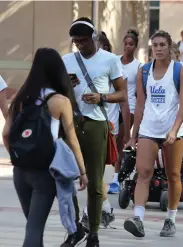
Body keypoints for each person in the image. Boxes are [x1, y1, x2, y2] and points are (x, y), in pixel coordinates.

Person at [2, 48, 87, 247]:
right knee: (34, 230)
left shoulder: (21, 98)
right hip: (44, 172)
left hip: (20, 172)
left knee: (33, 226)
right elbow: (72, 140)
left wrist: (18, 157)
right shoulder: (60, 101)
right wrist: (82, 172)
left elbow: (6, 134)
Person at [62, 17, 126, 247]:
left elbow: (122, 93)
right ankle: (75, 229)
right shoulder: (66, 60)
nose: (79, 44)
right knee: (67, 178)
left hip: (96, 123)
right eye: (75, 41)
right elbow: (55, 91)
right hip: (70, 124)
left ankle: (94, 233)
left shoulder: (109, 60)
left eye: (83, 40)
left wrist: (102, 97)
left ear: (94, 38)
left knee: (95, 182)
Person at [123, 30, 183, 238]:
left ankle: (170, 219)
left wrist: (174, 129)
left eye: (162, 45)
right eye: (155, 45)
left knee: (172, 175)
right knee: (143, 172)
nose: (159, 49)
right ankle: (138, 219)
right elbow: (141, 104)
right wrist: (134, 134)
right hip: (149, 128)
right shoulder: (143, 71)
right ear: (151, 47)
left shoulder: (181, 70)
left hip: (173, 128)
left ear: (169, 47)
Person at [80, 31, 124, 231]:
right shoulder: (82, 64)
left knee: (94, 172)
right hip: (84, 122)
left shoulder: (111, 63)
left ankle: (94, 213)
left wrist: (129, 129)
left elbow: (124, 98)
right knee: (91, 172)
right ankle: (103, 208)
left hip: (106, 123)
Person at [108, 29, 142, 194]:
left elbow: (137, 91)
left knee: (121, 141)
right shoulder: (114, 61)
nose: (127, 47)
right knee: (112, 140)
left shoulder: (138, 67)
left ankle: (115, 178)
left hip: (130, 107)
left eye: (131, 45)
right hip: (112, 104)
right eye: (125, 44)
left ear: (135, 47)